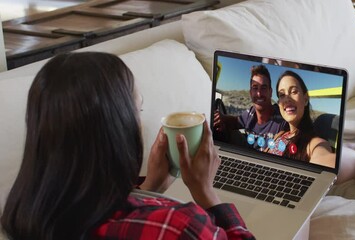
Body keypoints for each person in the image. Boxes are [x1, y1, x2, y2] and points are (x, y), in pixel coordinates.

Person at [0, 52, 255, 240]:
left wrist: (149, 188)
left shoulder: (23, 217)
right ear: (117, 129)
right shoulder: (179, 225)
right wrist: (206, 192)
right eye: (137, 109)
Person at [267, 70, 355, 184]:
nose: (287, 99)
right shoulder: (280, 134)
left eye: (294, 91)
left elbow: (325, 163)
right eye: (282, 95)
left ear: (305, 99)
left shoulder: (314, 144)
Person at [213, 65, 288, 151]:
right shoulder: (250, 113)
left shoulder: (282, 119)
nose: (259, 93)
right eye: (255, 88)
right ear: (250, 92)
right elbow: (236, 121)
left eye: (263, 88)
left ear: (270, 92)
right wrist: (221, 118)